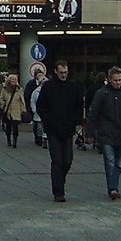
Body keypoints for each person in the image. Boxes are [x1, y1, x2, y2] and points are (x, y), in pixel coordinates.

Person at [87, 66, 121, 200]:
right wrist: (89, 132)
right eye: (115, 80)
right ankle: (113, 189)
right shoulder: (102, 94)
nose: (118, 82)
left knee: (116, 162)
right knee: (110, 160)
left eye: (119, 80)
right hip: (105, 132)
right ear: (109, 80)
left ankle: (114, 185)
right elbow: (93, 113)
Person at [35, 60, 84, 202]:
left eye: (65, 72)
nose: (63, 75)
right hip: (53, 130)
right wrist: (48, 120)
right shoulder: (48, 87)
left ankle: (59, 180)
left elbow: (79, 105)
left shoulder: (73, 87)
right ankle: (58, 192)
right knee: (57, 160)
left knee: (67, 160)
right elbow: (41, 106)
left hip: (68, 129)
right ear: (56, 72)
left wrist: (76, 121)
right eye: (61, 72)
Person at [0, 73, 27, 148]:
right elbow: (1, 98)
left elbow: (22, 100)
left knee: (16, 127)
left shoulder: (19, 89)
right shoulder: (4, 89)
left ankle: (15, 140)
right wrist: (3, 104)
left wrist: (23, 109)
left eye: (15, 80)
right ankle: (8, 138)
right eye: (12, 79)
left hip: (16, 110)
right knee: (8, 127)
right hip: (7, 111)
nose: (13, 81)